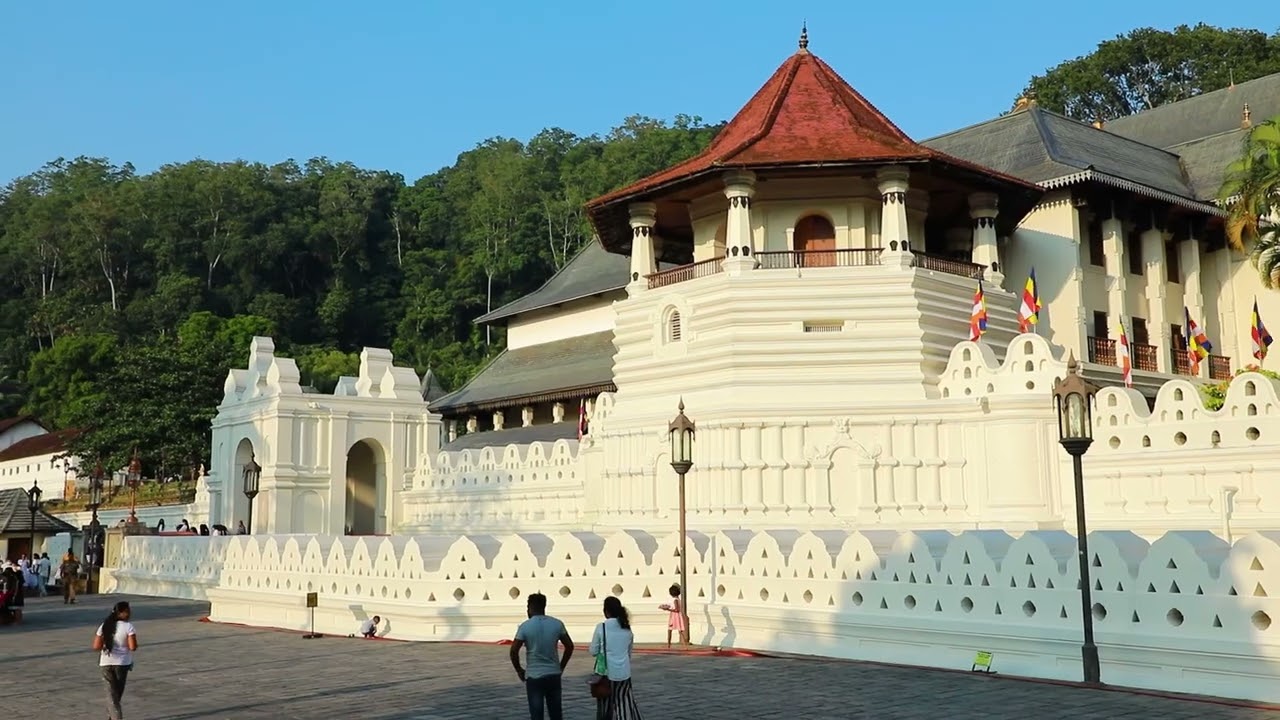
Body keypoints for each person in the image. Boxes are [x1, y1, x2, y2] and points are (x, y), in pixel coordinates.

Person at [511, 592, 574, 720]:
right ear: (544, 606)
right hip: (553, 674)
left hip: (534, 676)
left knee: (536, 715)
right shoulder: (557, 624)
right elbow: (569, 646)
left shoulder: (525, 626)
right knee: (556, 714)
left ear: (529, 607)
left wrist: (519, 670)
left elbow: (513, 651)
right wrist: (561, 666)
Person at [590, 596, 642, 719]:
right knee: (624, 704)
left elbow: (593, 651)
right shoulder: (626, 628)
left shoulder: (601, 627)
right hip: (624, 672)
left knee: (605, 706)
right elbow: (629, 652)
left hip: (605, 673)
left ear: (606, 611)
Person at [93, 601, 138, 720]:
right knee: (116, 695)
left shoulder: (104, 626)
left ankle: (111, 717)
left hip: (106, 662)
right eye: (127, 611)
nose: (129, 613)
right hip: (122, 663)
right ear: (121, 613)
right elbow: (133, 647)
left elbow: (96, 646)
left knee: (112, 695)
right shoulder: (128, 627)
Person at [658, 583, 687, 647]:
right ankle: (684, 645)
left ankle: (669, 644)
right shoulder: (676, 599)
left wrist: (667, 609)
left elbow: (676, 609)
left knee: (672, 630)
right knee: (678, 631)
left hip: (675, 616)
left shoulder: (675, 600)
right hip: (675, 616)